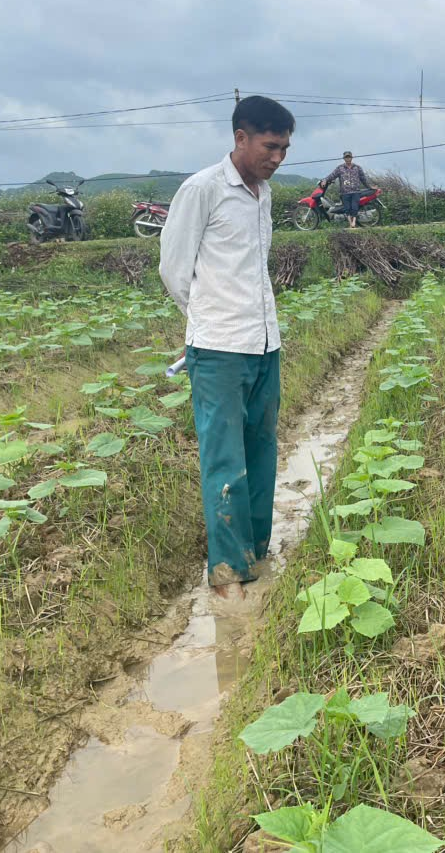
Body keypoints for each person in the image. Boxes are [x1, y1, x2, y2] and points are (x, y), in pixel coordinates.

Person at [158, 95, 295, 604]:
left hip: (265, 344)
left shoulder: (264, 196)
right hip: (218, 349)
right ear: (240, 137)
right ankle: (227, 573)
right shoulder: (203, 190)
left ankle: (256, 553)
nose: (277, 157)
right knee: (224, 459)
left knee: (262, 452)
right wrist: (209, 319)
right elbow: (174, 270)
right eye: (269, 146)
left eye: (284, 149)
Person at [320, 151, 376, 229]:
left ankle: (354, 223)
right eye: (346, 157)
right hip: (344, 192)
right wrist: (325, 180)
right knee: (347, 209)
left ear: (351, 158)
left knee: (354, 208)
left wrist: (370, 186)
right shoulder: (340, 168)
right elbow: (332, 176)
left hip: (355, 191)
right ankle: (350, 224)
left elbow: (363, 179)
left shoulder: (357, 168)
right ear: (344, 158)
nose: (348, 159)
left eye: (349, 157)